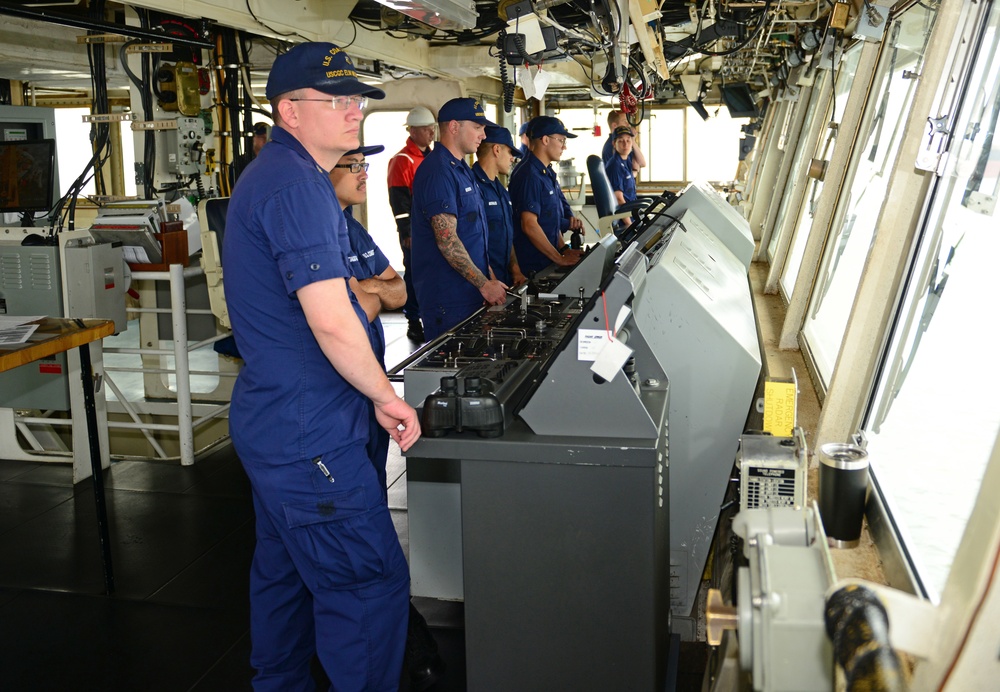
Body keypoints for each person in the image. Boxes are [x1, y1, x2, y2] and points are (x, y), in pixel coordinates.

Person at [223, 41, 419, 692]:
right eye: (334, 99)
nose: (352, 110)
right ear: (289, 111)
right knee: (366, 585)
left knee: (284, 574)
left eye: (355, 98)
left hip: (279, 423)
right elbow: (332, 317)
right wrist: (385, 397)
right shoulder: (294, 184)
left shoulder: (287, 179)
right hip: (308, 435)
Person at [329, 144, 446, 692]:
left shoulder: (352, 230)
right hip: (336, 399)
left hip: (367, 389)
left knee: (373, 502)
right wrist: (367, 295)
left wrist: (366, 293)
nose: (364, 172)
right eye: (352, 164)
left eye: (364, 164)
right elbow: (339, 311)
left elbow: (397, 290)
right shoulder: (312, 230)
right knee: (357, 553)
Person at [410, 97, 508, 341]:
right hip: (449, 298)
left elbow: (473, 233)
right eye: (477, 127)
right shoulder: (438, 171)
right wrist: (484, 285)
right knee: (451, 374)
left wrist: (489, 279)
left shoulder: (462, 168)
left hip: (470, 292)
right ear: (454, 127)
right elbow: (447, 240)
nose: (483, 135)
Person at [509, 115, 584, 276]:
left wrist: (563, 249)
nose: (564, 147)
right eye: (561, 140)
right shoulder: (529, 175)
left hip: (547, 260)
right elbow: (529, 225)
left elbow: (549, 220)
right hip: (533, 265)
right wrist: (559, 258)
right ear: (545, 140)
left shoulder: (546, 172)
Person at [387, 106, 437, 342]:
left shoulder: (432, 158)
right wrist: (406, 232)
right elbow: (399, 200)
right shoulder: (403, 160)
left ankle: (431, 317)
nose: (431, 134)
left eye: (432, 129)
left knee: (432, 275)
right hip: (414, 232)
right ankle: (413, 321)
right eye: (426, 130)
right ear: (413, 131)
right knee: (415, 275)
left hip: (433, 230)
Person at [473, 125, 525, 287]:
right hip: (482, 284)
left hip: (503, 279)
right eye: (510, 152)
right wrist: (489, 280)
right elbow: (470, 242)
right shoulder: (472, 187)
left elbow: (506, 234)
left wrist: (515, 269)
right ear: (496, 150)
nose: (512, 158)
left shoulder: (501, 190)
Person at [601, 109, 647, 178]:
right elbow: (621, 175)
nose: (628, 124)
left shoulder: (624, 144)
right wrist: (635, 171)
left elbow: (642, 163)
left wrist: (632, 140)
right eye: (625, 121)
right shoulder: (611, 147)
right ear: (615, 126)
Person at [605, 125, 638, 209]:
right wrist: (629, 222)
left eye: (628, 140)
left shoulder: (625, 160)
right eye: (620, 141)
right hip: (625, 216)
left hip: (632, 209)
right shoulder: (615, 165)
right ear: (614, 144)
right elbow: (619, 199)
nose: (625, 144)